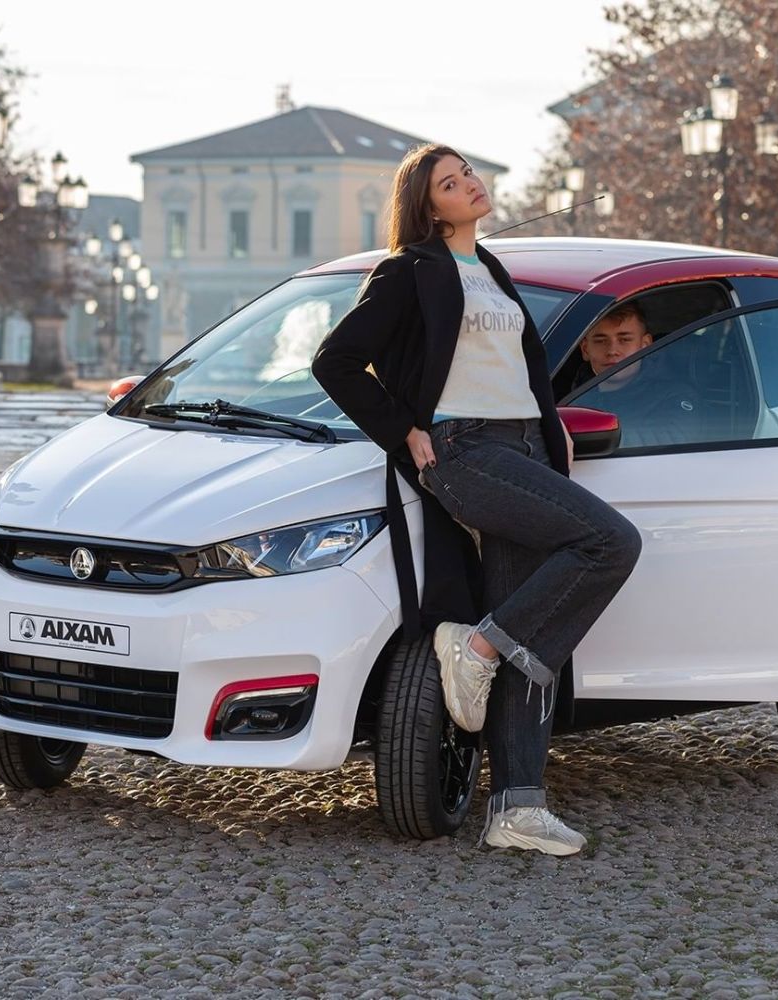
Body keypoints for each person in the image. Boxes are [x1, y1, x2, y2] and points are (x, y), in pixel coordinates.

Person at [312, 144, 641, 856]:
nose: (471, 186)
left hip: (523, 447)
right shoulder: (409, 271)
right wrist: (402, 429)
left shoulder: (491, 269)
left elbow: (519, 371)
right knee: (612, 542)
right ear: (429, 206)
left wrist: (552, 433)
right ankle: (477, 644)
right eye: (451, 184)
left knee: (535, 637)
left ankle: (516, 809)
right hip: (464, 450)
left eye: (469, 175)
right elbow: (334, 360)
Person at [572, 302, 700, 448]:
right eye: (601, 341)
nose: (612, 351)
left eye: (624, 340)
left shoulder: (674, 396)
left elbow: (671, 442)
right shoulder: (565, 389)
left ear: (645, 345)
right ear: (585, 349)